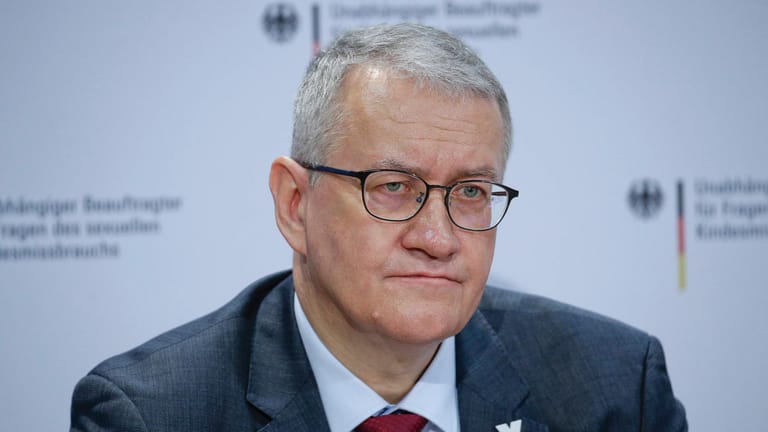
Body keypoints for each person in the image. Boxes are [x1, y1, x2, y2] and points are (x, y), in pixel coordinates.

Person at [70, 23, 687, 432]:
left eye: (471, 192)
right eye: (393, 187)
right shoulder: (151, 413)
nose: (438, 239)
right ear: (295, 204)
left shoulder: (614, 387)